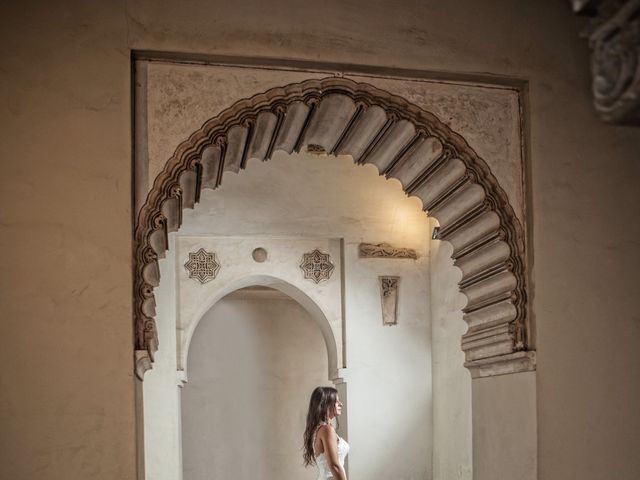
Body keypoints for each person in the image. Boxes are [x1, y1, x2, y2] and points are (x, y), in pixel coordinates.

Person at [303, 386, 350, 480]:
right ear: (327, 404)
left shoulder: (321, 428)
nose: (341, 404)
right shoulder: (326, 429)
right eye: (337, 402)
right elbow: (334, 466)